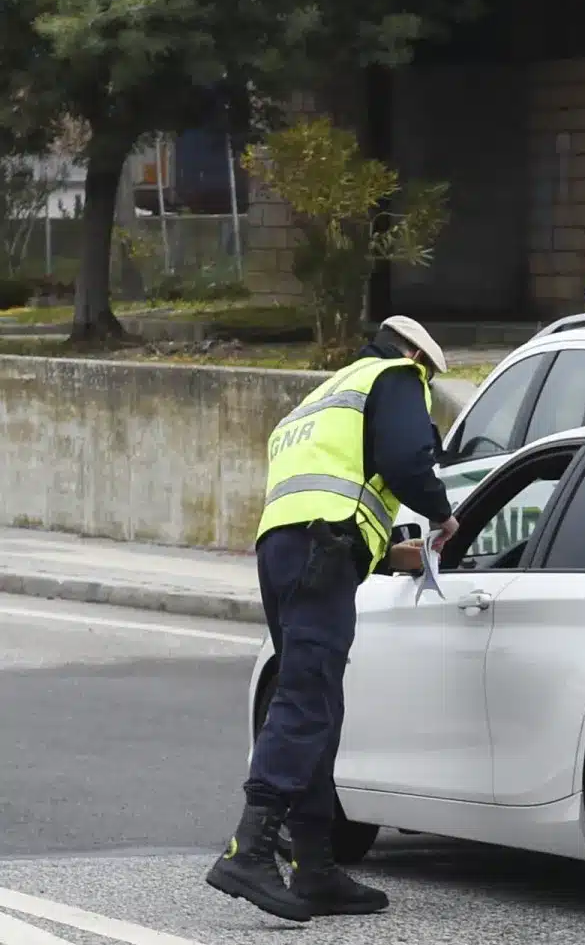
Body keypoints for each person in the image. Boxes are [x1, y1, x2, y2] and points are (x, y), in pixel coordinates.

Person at [205, 315, 460, 923]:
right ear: (416, 359)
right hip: (321, 548)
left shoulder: (321, 397)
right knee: (307, 696)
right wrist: (441, 515)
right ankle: (251, 847)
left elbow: (332, 493)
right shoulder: (397, 374)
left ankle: (315, 867)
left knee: (317, 700)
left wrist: (377, 551)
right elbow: (404, 459)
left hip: (287, 549)